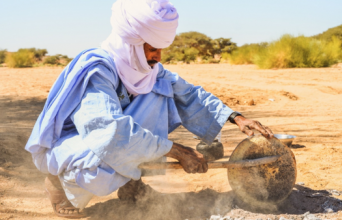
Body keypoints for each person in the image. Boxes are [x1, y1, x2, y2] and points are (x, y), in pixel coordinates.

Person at [25, 0, 274, 218]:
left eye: (160, 48)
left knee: (161, 90)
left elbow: (189, 94)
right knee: (98, 166)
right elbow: (110, 134)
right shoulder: (97, 71)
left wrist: (237, 118)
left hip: (113, 140)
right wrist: (177, 150)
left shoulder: (151, 71)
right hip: (79, 145)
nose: (158, 56)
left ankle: (132, 182)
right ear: (131, 42)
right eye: (152, 48)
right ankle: (59, 183)